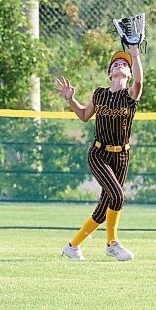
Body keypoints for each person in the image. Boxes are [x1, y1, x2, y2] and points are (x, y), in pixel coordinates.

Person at [55, 43, 143, 261]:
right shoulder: (99, 94)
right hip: (99, 154)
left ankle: (72, 247)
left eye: (125, 63)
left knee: (105, 207)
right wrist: (70, 99)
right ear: (109, 73)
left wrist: (134, 52)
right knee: (118, 196)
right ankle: (112, 244)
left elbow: (140, 82)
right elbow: (84, 115)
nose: (120, 64)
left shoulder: (131, 95)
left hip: (122, 156)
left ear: (129, 74)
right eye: (115, 63)